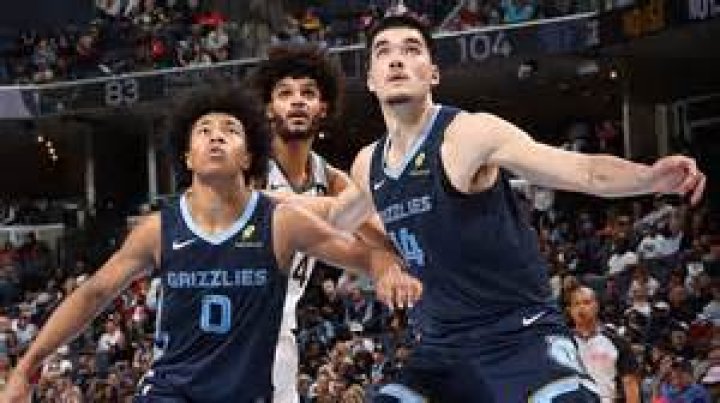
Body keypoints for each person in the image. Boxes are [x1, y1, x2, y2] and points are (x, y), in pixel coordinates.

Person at [329, 14, 706, 402]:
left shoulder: (469, 135)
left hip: (520, 335)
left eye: (411, 50)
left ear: (434, 74)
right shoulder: (368, 164)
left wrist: (649, 178)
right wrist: (376, 250)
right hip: (441, 352)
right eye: (383, 52)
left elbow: (584, 171)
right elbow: (338, 219)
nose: (396, 59)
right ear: (371, 79)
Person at [1, 86, 421, 403]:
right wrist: (27, 366)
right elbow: (92, 294)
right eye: (204, 131)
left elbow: (363, 253)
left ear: (247, 157)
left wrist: (385, 266)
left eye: (230, 131)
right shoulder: (158, 229)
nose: (216, 137)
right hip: (170, 391)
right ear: (187, 156)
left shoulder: (281, 221)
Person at [251, 43, 353, 403]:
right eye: (285, 93)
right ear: (268, 108)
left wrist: (384, 262)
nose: (297, 101)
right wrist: (338, 209)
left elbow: (374, 225)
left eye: (308, 93)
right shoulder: (249, 169)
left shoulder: (332, 178)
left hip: (280, 329)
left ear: (322, 107)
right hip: (226, 325)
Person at [568, 286, 641, 403]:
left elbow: (630, 383)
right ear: (571, 310)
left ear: (596, 306)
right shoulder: (563, 343)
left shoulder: (617, 342)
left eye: (586, 302)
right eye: (576, 304)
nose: (581, 307)